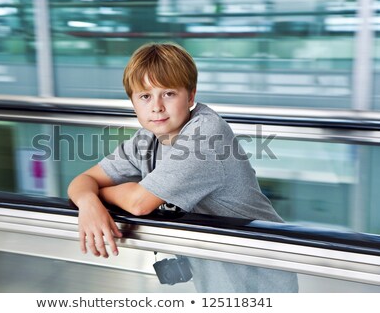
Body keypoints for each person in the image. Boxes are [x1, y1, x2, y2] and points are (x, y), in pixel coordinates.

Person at [67, 42, 298, 292]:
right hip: (216, 279)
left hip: (259, 279)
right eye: (145, 96)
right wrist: (88, 203)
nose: (156, 106)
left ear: (191, 95)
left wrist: (99, 193)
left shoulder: (207, 135)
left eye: (168, 93)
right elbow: (83, 179)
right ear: (133, 103)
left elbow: (139, 203)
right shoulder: (146, 139)